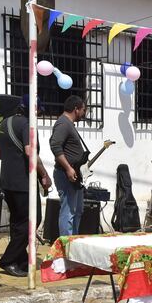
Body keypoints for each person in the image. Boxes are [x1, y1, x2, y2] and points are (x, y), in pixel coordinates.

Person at [0, 95, 52, 277]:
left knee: (17, 222)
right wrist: (44, 175)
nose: (39, 114)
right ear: (32, 109)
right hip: (23, 183)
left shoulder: (3, 123)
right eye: (38, 111)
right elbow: (30, 153)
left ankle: (20, 260)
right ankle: (8, 260)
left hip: (6, 181)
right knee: (31, 221)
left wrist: (12, 159)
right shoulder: (27, 125)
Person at [50, 95, 88, 236]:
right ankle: (66, 248)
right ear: (76, 109)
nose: (84, 114)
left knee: (77, 211)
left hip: (73, 176)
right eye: (83, 110)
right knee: (68, 212)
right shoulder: (63, 123)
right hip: (66, 176)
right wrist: (68, 168)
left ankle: (74, 244)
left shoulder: (68, 124)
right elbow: (55, 145)